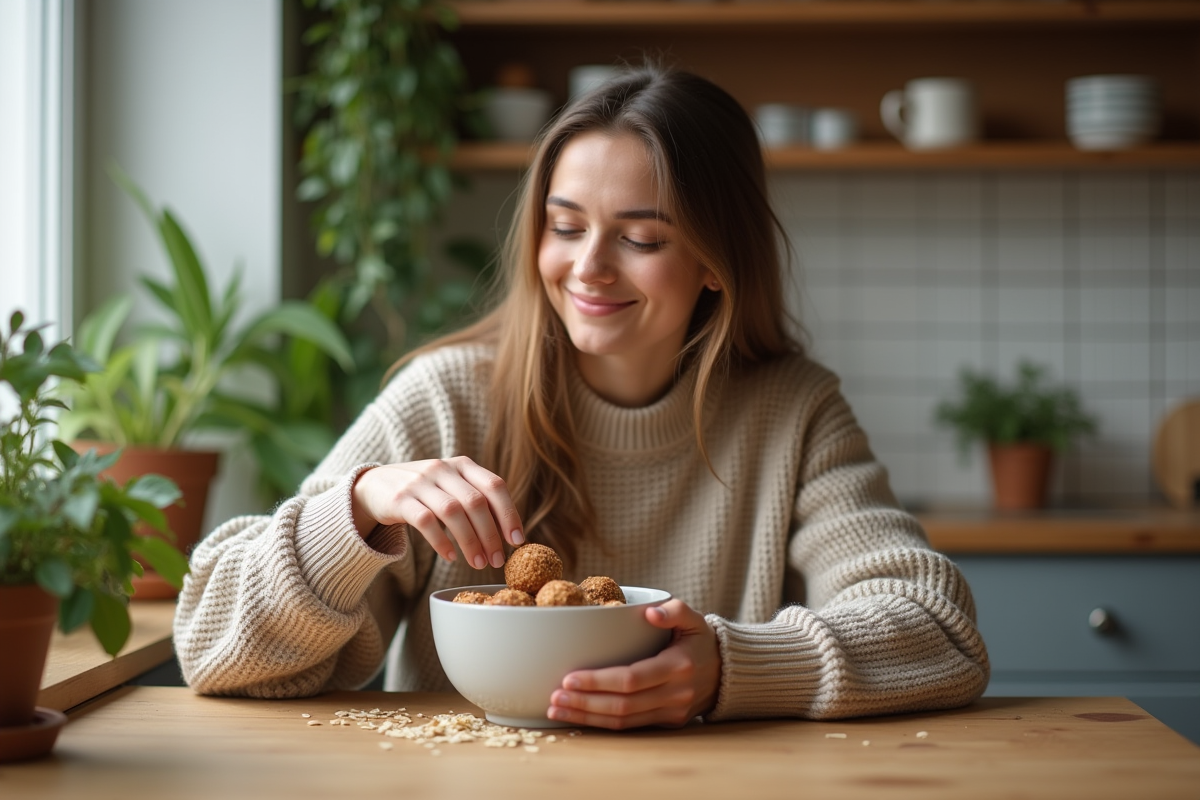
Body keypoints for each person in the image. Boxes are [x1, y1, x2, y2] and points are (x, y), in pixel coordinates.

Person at [174, 66, 989, 729]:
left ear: (716, 262)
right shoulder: (449, 399)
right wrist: (354, 510)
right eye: (565, 227)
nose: (589, 267)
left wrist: (732, 669)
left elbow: (939, 629)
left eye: (641, 238)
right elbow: (210, 646)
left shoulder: (792, 412)